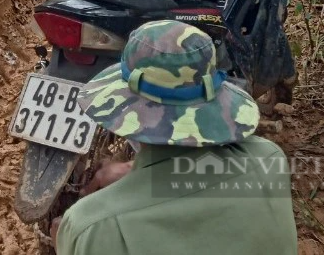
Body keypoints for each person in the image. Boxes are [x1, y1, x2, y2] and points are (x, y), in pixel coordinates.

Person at [52, 21, 298, 255]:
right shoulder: (269, 160)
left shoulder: (90, 226)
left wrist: (64, 242)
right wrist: (136, 169)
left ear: (129, 108)